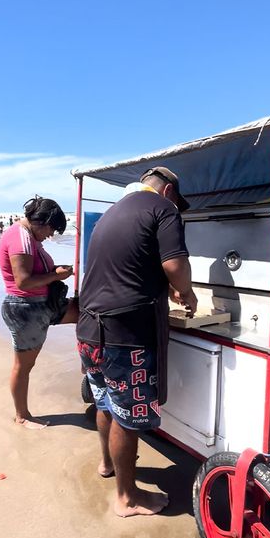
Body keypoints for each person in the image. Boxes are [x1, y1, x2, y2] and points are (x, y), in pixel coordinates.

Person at [77, 166, 195, 518]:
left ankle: (106, 464)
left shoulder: (113, 212)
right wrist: (185, 291)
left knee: (105, 404)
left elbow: (126, 268)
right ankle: (127, 498)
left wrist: (166, 286)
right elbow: (174, 266)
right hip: (126, 336)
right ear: (169, 192)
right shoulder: (163, 210)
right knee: (127, 418)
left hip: (89, 332)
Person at [0, 197, 78, 429]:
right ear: (41, 222)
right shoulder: (20, 238)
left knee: (86, 313)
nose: (50, 235)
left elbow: (36, 271)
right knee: (23, 366)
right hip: (25, 308)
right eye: (51, 229)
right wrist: (56, 276)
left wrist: (56, 271)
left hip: (44, 304)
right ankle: (22, 415)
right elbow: (23, 281)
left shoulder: (29, 237)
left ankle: (90, 365)